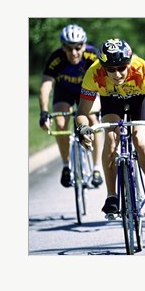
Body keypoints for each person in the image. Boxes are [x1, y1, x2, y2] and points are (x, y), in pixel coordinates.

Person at [75, 38, 145, 220]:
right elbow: (82, 112)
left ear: (129, 63)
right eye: (111, 69)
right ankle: (112, 195)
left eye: (122, 68)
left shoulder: (143, 70)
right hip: (111, 101)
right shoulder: (94, 73)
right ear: (103, 67)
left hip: (139, 101)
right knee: (111, 140)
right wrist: (83, 128)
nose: (117, 73)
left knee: (140, 142)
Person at [38, 24, 104, 188]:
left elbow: (104, 80)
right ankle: (66, 165)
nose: (73, 52)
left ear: (84, 44)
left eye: (78, 47)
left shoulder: (92, 55)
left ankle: (96, 168)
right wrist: (44, 112)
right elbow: (46, 86)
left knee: (93, 120)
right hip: (64, 92)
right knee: (61, 123)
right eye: (68, 48)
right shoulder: (56, 58)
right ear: (63, 47)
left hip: (87, 91)